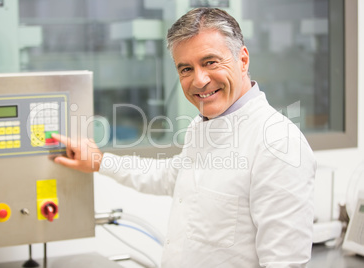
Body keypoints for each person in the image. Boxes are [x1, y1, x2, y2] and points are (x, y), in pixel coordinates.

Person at [52, 7, 316, 268]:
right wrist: (100, 162)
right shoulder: (202, 126)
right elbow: (171, 177)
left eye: (210, 62)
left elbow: (285, 262)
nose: (199, 80)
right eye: (186, 69)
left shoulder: (279, 143)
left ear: (243, 60)